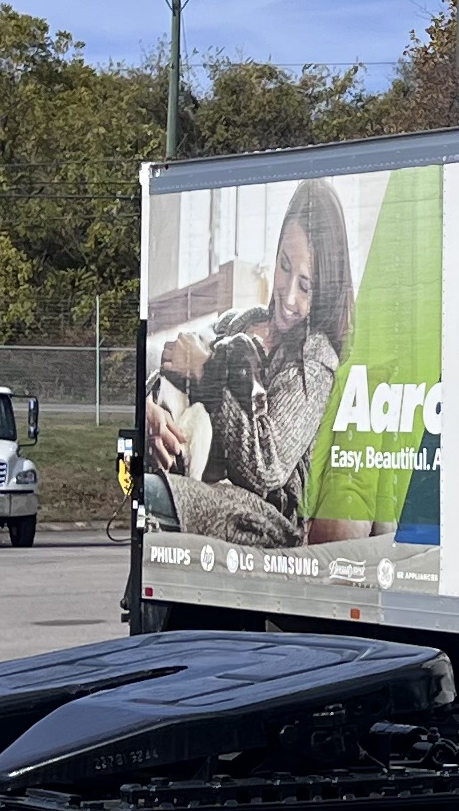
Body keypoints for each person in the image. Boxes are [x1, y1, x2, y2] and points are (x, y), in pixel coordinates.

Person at [145, 182, 349, 544]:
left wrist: (206, 372)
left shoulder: (315, 357)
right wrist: (149, 413)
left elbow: (267, 467)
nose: (287, 296)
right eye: (284, 267)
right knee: (146, 489)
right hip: (191, 472)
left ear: (327, 289)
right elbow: (171, 362)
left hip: (255, 514)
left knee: (151, 494)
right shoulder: (237, 322)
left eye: (307, 286)